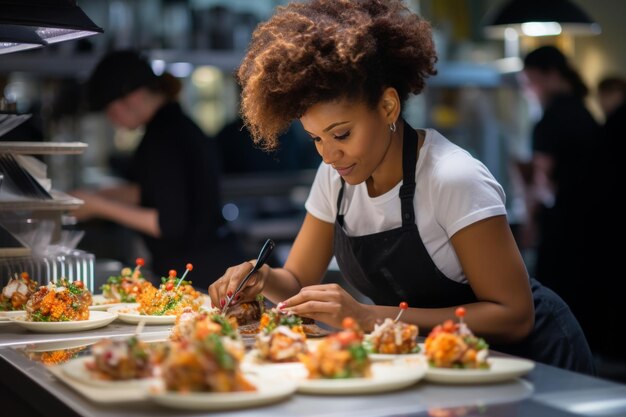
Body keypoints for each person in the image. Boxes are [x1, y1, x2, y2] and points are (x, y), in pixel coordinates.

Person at [209, 0, 594, 373]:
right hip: (440, 365)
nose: (329, 155)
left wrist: (367, 317)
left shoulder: (452, 177)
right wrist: (260, 280)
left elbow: (514, 316)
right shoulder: (336, 178)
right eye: (316, 139)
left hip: (533, 363)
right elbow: (296, 281)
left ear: (388, 107)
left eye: (341, 133)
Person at [72, 50, 241, 287]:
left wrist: (98, 206)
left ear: (134, 97)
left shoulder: (164, 137)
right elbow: (155, 193)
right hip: (212, 263)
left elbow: (168, 224)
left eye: (111, 111)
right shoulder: (173, 126)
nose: (112, 120)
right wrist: (95, 197)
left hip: (201, 274)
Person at [522, 46, 601, 350]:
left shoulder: (552, 118)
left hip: (562, 228)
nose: (530, 91)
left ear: (551, 75)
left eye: (531, 82)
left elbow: (542, 180)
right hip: (592, 226)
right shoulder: (585, 112)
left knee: (557, 302)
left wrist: (530, 222)